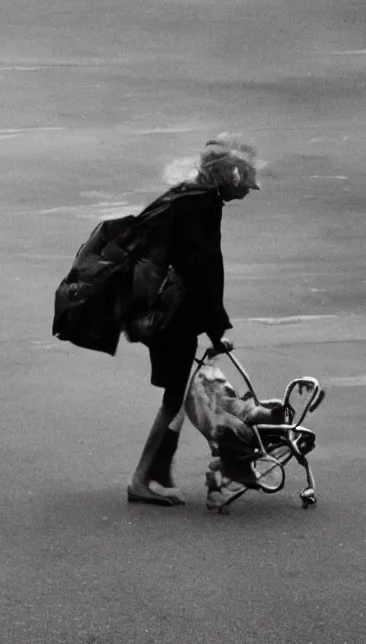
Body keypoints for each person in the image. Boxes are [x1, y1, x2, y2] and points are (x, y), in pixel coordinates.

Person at [126, 136, 259, 505]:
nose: (249, 189)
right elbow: (203, 272)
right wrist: (216, 331)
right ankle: (139, 478)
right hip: (173, 316)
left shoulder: (195, 198)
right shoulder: (201, 206)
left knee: (180, 391)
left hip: (165, 309)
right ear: (227, 177)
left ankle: (159, 468)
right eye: (244, 180)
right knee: (174, 397)